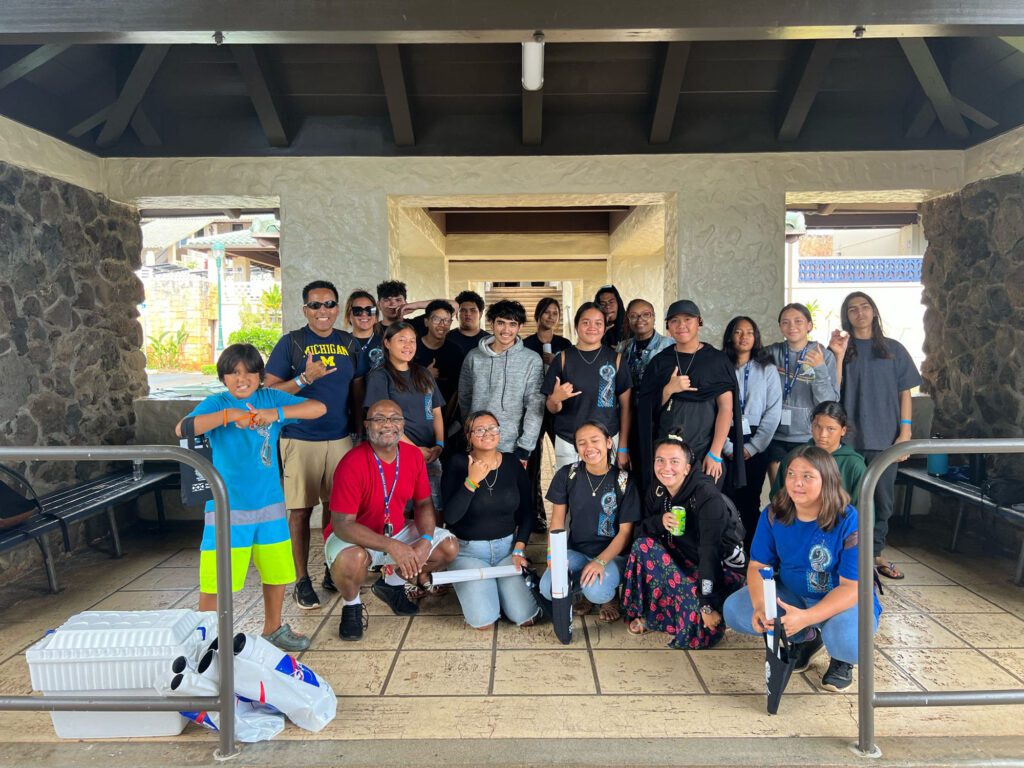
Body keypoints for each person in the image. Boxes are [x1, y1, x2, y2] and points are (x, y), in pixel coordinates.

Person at [176, 343, 327, 652]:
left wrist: (275, 414)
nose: (241, 379)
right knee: (217, 579)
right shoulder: (216, 403)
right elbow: (183, 428)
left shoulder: (269, 398)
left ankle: (273, 629)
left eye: (249, 372)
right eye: (233, 373)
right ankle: (206, 640)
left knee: (276, 571)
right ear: (223, 378)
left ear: (260, 376)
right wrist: (229, 416)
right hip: (227, 509)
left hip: (270, 506)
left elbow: (318, 409)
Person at [723, 444, 881, 692]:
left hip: (842, 600)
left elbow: (851, 588)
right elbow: (758, 565)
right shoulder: (774, 514)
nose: (797, 482)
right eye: (791, 474)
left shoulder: (849, 519)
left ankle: (841, 660)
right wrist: (761, 605)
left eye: (807, 476)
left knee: (849, 642)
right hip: (793, 593)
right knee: (736, 610)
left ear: (827, 480)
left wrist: (807, 616)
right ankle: (805, 638)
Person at [264, 280, 366, 610]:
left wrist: (359, 431)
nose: (323, 311)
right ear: (305, 309)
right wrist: (304, 379)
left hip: (340, 438)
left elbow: (357, 389)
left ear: (338, 308)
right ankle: (301, 580)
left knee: (339, 510)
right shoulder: (291, 343)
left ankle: (331, 568)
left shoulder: (349, 342)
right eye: (315, 305)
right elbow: (269, 392)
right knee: (300, 511)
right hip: (299, 438)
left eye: (329, 304)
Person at [326, 399, 459, 641]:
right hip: (355, 536)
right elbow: (342, 525)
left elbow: (423, 504)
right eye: (379, 419)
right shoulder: (351, 462)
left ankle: (392, 585)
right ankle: (351, 605)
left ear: (403, 424)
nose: (388, 424)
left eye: (395, 418)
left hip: (395, 530)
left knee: (447, 547)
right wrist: (392, 546)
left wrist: (426, 540)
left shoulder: (413, 456)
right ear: (367, 425)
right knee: (352, 560)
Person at [622, 431, 746, 648]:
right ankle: (655, 614)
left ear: (687, 468)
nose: (666, 467)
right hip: (683, 559)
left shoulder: (706, 495)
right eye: (660, 460)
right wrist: (660, 522)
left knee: (702, 628)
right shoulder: (657, 489)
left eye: (674, 461)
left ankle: (704, 605)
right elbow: (640, 531)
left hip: (718, 568)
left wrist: (706, 604)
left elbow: (710, 552)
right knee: (643, 546)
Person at [832, 291, 921, 581]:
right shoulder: (842, 349)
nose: (860, 313)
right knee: (845, 500)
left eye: (865, 307)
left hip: (886, 438)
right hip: (848, 440)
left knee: (883, 501)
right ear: (846, 316)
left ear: (874, 311)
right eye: (853, 309)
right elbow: (832, 387)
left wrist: (905, 432)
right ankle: (845, 556)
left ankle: (876, 554)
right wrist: (838, 355)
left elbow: (905, 393)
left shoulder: (894, 350)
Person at [441, 411, 541, 630]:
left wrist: (519, 548)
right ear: (469, 436)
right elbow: (450, 517)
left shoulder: (512, 462)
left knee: (526, 617)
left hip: (507, 551)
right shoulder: (457, 463)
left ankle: (500, 590)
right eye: (479, 430)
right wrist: (471, 482)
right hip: (468, 552)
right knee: (484, 622)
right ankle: (488, 591)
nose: (487, 433)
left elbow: (527, 511)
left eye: (492, 428)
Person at [637, 300, 744, 491]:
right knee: (666, 506)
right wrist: (669, 389)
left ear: (699, 322)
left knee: (703, 504)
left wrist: (715, 453)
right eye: (674, 321)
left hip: (704, 452)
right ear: (668, 327)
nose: (681, 325)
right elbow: (646, 409)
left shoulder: (716, 360)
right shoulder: (660, 362)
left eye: (688, 319)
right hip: (666, 454)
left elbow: (726, 408)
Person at [540, 421, 642, 622]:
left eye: (595, 441)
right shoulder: (568, 474)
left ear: (608, 443)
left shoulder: (624, 481)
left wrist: (600, 561)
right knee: (547, 587)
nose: (589, 448)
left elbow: (625, 533)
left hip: (613, 556)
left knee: (597, 591)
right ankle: (585, 591)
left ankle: (608, 597)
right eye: (582, 443)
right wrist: (553, 554)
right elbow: (557, 521)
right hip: (577, 551)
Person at [363, 322, 446, 513]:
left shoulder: (423, 373)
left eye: (412, 341)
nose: (408, 345)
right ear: (387, 343)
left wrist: (439, 445)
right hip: (396, 454)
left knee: (433, 508)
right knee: (401, 510)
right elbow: (383, 423)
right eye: (401, 340)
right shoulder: (380, 376)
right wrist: (415, 450)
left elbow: (436, 412)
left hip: (429, 454)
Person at [542, 302, 633, 470]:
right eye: (586, 322)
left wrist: (622, 447)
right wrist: (556, 399)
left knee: (605, 486)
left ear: (605, 328)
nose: (592, 327)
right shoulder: (562, 359)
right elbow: (551, 407)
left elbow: (626, 407)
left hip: (606, 441)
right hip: (569, 440)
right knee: (570, 485)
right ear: (576, 326)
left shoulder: (616, 359)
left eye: (598, 323)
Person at [721, 316, 782, 552]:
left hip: (756, 438)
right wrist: (726, 446)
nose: (744, 337)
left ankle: (751, 551)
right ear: (730, 336)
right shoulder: (720, 365)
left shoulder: (767, 368)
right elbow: (713, 409)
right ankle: (728, 550)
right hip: (725, 434)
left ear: (756, 337)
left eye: (749, 332)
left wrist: (753, 447)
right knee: (726, 497)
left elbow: (773, 410)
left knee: (750, 498)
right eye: (738, 332)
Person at [458, 299, 545, 464]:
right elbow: (465, 398)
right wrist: (470, 432)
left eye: (512, 324)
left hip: (513, 447)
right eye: (501, 323)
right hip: (478, 442)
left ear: (520, 327)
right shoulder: (473, 357)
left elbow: (535, 405)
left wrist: (525, 447)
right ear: (491, 324)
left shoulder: (532, 360)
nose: (506, 330)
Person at [765, 303, 839, 485]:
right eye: (785, 322)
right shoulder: (771, 353)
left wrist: (820, 368)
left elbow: (828, 403)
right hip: (775, 435)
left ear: (809, 325)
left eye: (798, 321)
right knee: (779, 491)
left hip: (808, 436)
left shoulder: (824, 355)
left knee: (802, 489)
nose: (792, 326)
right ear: (780, 326)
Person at [522, 297, 573, 532]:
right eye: (546, 312)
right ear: (538, 315)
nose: (551, 317)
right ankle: (534, 515)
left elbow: (573, 374)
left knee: (565, 459)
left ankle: (569, 513)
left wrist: (556, 364)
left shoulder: (564, 344)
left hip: (558, 409)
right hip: (532, 408)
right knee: (531, 463)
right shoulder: (526, 344)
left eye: (555, 313)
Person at [771, 401, 867, 507]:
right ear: (811, 426)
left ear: (843, 430)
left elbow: (862, 509)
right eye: (817, 426)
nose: (822, 434)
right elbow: (777, 498)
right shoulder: (795, 457)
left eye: (830, 429)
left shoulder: (854, 464)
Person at [414, 299, 462, 408]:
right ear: (426, 322)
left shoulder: (455, 351)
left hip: (446, 411)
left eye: (446, 320)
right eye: (436, 319)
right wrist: (425, 376)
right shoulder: (412, 348)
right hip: (415, 409)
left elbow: (457, 390)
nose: (442, 324)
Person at [617, 298, 673, 390]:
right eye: (633, 316)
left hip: (658, 398)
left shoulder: (669, 345)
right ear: (628, 319)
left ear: (654, 317)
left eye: (646, 314)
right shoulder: (622, 347)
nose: (640, 319)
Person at [344, 289, 383, 370]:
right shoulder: (341, 344)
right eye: (357, 310)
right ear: (349, 315)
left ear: (376, 316)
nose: (364, 314)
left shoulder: (386, 343)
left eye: (369, 310)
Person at [445, 290, 488, 359]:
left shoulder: (488, 340)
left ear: (480, 314)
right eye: (463, 310)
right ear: (456, 315)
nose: (468, 314)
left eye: (473, 310)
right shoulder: (445, 339)